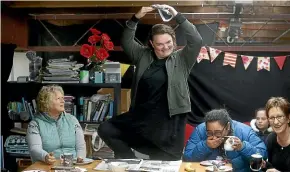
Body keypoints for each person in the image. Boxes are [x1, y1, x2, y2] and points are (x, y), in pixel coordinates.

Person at [97, 4, 202, 160]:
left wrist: (177, 16)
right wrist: (135, 18)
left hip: (169, 120)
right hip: (142, 116)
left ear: (173, 40)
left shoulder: (182, 58)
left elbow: (196, 40)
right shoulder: (142, 55)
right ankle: (130, 161)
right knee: (106, 129)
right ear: (152, 44)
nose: (165, 47)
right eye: (159, 44)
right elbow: (126, 41)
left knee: (165, 161)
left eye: (168, 42)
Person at [183, 109, 267, 172]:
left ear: (228, 126)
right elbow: (187, 158)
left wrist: (243, 147)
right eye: (209, 133)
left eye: (218, 133)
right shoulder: (200, 130)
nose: (214, 137)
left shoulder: (245, 131)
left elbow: (262, 155)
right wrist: (205, 145)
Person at [26, 85, 86, 164]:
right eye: (58, 99)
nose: (63, 101)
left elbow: (81, 146)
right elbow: (34, 148)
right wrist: (45, 156)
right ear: (46, 102)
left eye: (63, 98)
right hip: (48, 166)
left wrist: (80, 158)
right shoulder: (35, 124)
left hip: (73, 166)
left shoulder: (72, 120)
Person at [263, 97, 290, 172]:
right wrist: (264, 165)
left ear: (288, 118)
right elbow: (271, 166)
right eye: (272, 118)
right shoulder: (271, 138)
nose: (275, 122)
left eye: (279, 117)